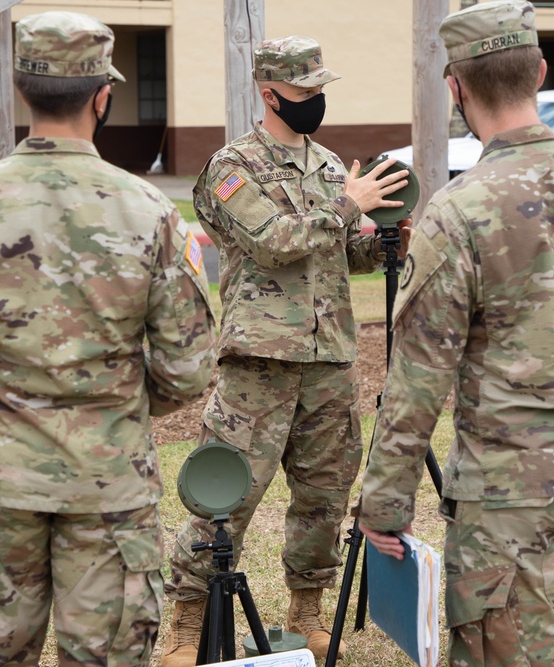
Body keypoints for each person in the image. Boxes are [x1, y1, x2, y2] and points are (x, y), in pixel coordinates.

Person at [356, 1, 554, 665]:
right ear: (539, 70)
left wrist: (385, 502)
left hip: (508, 498)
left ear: (456, 88)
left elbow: (417, 381)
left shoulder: (459, 212)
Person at [0, 12, 217, 666]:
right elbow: (186, 369)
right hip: (110, 483)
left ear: (20, 90)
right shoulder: (148, 210)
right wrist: (111, 402)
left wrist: (5, 396)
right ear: (104, 96)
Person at [160, 35, 411, 665]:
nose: (316, 101)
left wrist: (382, 240)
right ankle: (187, 625)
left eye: (321, 90)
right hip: (258, 362)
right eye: (305, 92)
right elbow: (273, 240)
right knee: (226, 495)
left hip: (328, 360)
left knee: (324, 495)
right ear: (268, 93)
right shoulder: (230, 167)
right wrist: (346, 208)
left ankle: (306, 613)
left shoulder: (328, 167)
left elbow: (336, 249)